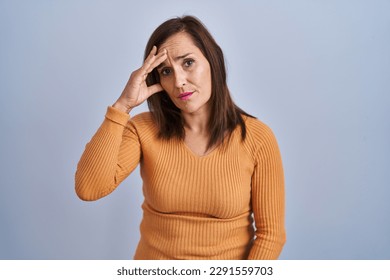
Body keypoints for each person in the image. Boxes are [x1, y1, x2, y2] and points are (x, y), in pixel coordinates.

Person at [75, 15, 285, 260]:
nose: (179, 82)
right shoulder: (143, 130)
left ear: (213, 60)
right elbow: (88, 189)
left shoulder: (257, 138)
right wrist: (123, 106)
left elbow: (271, 236)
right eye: (166, 71)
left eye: (188, 63)